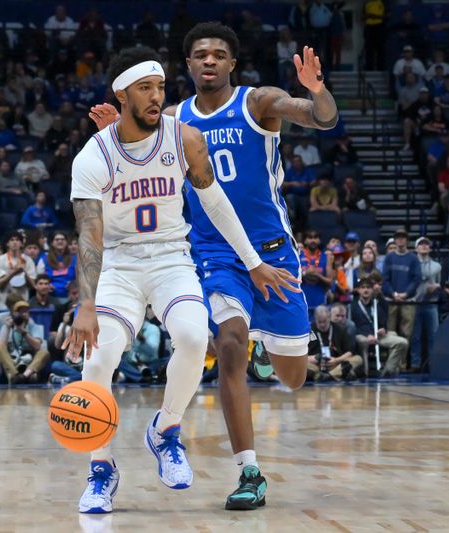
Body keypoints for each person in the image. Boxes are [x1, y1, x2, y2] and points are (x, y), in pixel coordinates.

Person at [90, 23, 338, 510]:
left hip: (272, 251)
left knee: (294, 378)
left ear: (231, 65)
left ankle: (269, 350)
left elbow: (321, 119)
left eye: (218, 54)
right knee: (227, 345)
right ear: (188, 65)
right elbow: (137, 168)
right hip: (214, 252)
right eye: (200, 54)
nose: (209, 60)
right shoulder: (172, 122)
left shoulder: (258, 103)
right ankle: (249, 470)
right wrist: (112, 139)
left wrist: (317, 90)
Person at [351, 277, 408, 377]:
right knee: (363, 341)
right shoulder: (353, 305)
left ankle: (388, 371)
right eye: (363, 287)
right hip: (362, 336)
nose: (366, 290)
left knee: (403, 342)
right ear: (358, 290)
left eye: (368, 287)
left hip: (378, 336)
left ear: (372, 290)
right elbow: (353, 326)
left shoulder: (377, 303)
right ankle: (365, 372)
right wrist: (367, 335)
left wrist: (383, 329)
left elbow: (384, 316)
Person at [0, 299, 49, 384]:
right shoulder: (7, 325)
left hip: (28, 362)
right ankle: (15, 375)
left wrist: (23, 331)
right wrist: (7, 327)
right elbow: (2, 346)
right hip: (12, 362)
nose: (24, 314)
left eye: (26, 311)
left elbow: (37, 346)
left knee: (44, 352)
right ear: (14, 313)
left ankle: (24, 376)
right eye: (20, 312)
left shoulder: (34, 326)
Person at [307, 305, 362, 382]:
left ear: (329, 318)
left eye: (325, 321)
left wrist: (336, 360)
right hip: (315, 365)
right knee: (298, 362)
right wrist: (314, 358)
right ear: (315, 319)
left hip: (334, 364)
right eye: (320, 322)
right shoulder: (307, 331)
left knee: (358, 359)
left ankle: (328, 375)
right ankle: (333, 374)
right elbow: (299, 355)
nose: (322, 325)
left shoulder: (339, 329)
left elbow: (349, 352)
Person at [410, 236, 441, 372]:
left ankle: (432, 363)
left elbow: (441, 282)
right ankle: (415, 364)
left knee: (433, 335)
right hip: (414, 303)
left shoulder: (437, 266)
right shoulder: (411, 264)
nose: (424, 246)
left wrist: (437, 286)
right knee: (415, 336)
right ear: (416, 248)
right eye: (421, 244)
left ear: (430, 247)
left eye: (426, 244)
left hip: (431, 303)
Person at [0, 230, 37, 301]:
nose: (15, 242)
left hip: (22, 297)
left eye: (17, 240)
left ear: (21, 244)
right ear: (7, 243)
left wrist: (24, 272)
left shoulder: (28, 260)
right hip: (4, 297)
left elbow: (32, 285)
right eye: (12, 240)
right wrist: (14, 272)